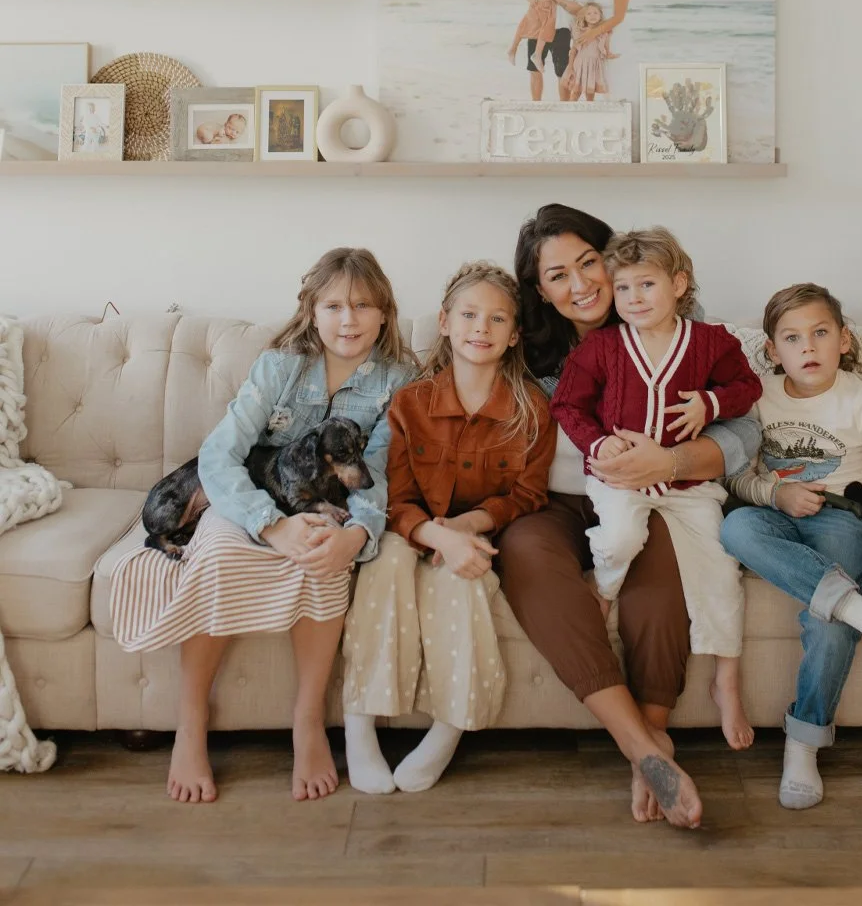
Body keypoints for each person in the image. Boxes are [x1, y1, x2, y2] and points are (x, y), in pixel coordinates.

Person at [109, 247, 416, 804]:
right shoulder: (279, 366)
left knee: (326, 561)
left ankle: (307, 723)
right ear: (311, 311)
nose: (348, 320)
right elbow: (219, 455)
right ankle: (191, 720)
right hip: (250, 496)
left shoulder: (398, 380)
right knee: (219, 555)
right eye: (334, 306)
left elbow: (379, 471)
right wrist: (270, 526)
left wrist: (355, 535)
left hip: (328, 508)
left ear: (385, 313)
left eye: (363, 306)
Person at [496, 204, 761, 830]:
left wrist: (669, 457)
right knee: (529, 555)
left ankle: (654, 736)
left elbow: (746, 426)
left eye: (589, 262)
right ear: (540, 290)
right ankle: (640, 747)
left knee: (662, 579)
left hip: (662, 492)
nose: (581, 284)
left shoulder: (675, 325)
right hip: (554, 504)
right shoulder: (523, 348)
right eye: (558, 275)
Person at [342, 262, 554, 795]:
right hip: (411, 530)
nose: (481, 328)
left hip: (475, 533)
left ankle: (449, 726)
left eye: (497, 319)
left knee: (465, 578)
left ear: (513, 335)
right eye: (469, 314)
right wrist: (436, 534)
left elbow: (526, 495)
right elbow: (393, 499)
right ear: (445, 322)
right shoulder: (410, 403)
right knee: (385, 559)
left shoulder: (532, 409)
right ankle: (360, 722)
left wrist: (465, 529)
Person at [551, 227, 761, 751]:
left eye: (647, 285)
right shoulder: (602, 347)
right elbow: (567, 407)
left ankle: (726, 681)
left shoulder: (712, 342)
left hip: (688, 483)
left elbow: (747, 388)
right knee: (620, 537)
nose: (634, 299)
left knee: (719, 571)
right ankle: (604, 589)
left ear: (679, 284)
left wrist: (709, 406)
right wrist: (598, 445)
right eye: (623, 289)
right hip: (618, 478)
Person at [722, 283, 862, 812]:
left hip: (841, 521)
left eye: (819, 333)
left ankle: (803, 744)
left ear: (844, 341)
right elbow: (737, 478)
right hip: (774, 515)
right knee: (735, 529)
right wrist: (776, 492)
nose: (807, 347)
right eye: (791, 338)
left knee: (827, 622)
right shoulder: (758, 397)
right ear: (772, 350)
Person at [563, 0, 618, 101]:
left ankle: (589, 113)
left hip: (595, 66)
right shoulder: (581, 32)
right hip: (580, 65)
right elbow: (573, 51)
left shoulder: (604, 33)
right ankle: (569, 114)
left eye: (595, 13)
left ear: (600, 15)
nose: (592, 16)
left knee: (590, 94)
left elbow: (606, 50)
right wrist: (570, 67)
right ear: (584, 17)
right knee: (575, 92)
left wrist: (610, 55)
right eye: (589, 13)